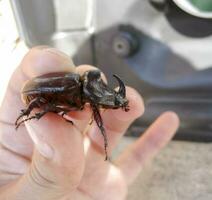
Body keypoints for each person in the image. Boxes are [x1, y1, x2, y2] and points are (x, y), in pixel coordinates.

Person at [0, 46, 179, 200]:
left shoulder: (85, 99)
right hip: (34, 94)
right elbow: (49, 103)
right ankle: (28, 115)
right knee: (48, 106)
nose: (111, 101)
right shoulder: (74, 87)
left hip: (46, 96)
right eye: (111, 101)